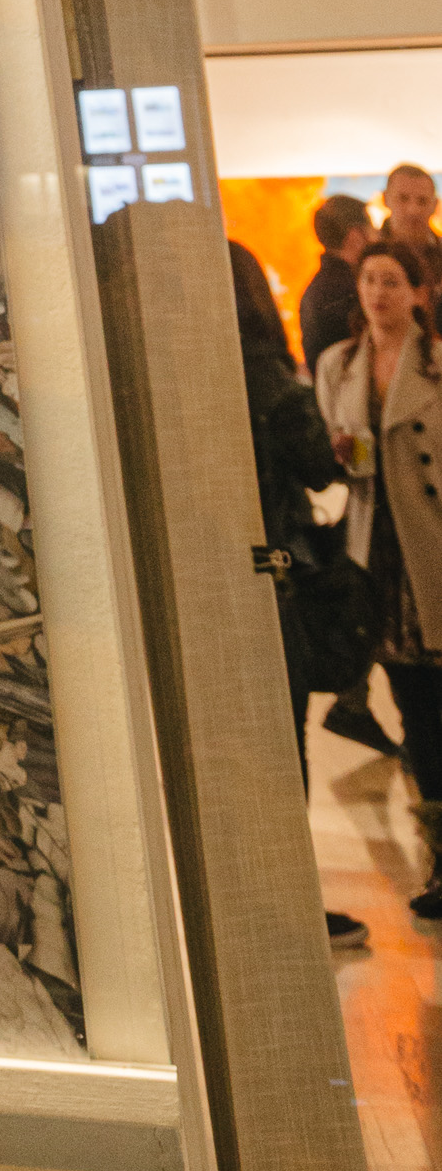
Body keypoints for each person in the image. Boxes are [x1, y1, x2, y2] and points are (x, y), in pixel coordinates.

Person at [229, 241, 371, 951]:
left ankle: (234, 904)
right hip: (270, 576)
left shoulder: (169, 372)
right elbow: (318, 467)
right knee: (281, 748)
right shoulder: (264, 375)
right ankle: (286, 909)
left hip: (206, 580)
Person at [316, 237, 442, 924]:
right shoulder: (339, 364)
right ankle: (439, 860)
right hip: (379, 559)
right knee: (415, 715)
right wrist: (340, 456)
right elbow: (339, 456)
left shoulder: (436, 360)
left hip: (434, 549)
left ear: (418, 293)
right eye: (368, 281)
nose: (377, 294)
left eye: (391, 282)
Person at [300, 196, 398, 756]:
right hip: (370, 473)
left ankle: (356, 699)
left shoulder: (320, 291)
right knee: (379, 598)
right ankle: (355, 700)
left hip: (365, 471)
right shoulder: (337, 304)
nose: (378, 294)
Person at [300, 194, 373, 375]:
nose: (376, 235)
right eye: (370, 227)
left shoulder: (313, 290)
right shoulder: (355, 290)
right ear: (355, 235)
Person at [379, 165, 442, 310]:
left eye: (422, 201)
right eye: (403, 199)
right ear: (385, 199)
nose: (413, 210)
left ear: (435, 205)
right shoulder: (367, 254)